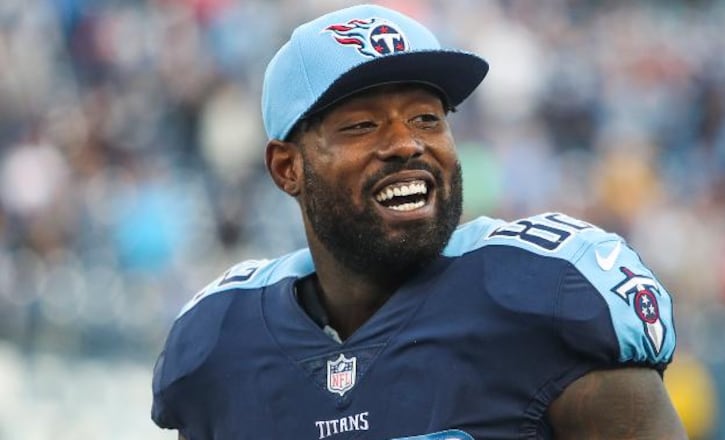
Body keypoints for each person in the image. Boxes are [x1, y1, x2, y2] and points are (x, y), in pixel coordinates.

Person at [151, 4, 687, 439]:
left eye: (427, 118)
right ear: (287, 168)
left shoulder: (548, 293)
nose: (407, 143)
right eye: (362, 125)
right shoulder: (221, 344)